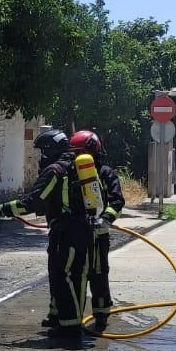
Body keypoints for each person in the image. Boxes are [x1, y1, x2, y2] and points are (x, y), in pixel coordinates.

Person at [0, 129, 93, 342]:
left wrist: (3, 209)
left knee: (61, 276)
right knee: (76, 276)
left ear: (49, 151)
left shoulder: (54, 171)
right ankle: (61, 319)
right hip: (84, 231)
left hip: (65, 234)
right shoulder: (76, 167)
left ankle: (70, 328)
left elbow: (33, 202)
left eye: (42, 153)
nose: (40, 158)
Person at [68, 130, 125, 335]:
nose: (75, 157)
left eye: (79, 152)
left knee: (99, 273)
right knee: (77, 274)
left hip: (99, 234)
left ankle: (101, 316)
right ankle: (74, 319)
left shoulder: (105, 173)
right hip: (78, 233)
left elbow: (117, 200)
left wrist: (106, 218)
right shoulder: (71, 172)